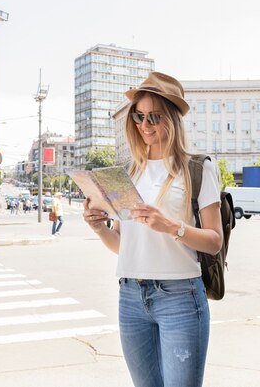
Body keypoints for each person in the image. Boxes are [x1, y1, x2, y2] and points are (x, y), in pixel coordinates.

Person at [83, 71, 222, 387]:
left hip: (180, 297)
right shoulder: (130, 172)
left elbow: (214, 242)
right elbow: (123, 244)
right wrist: (99, 228)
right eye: (139, 117)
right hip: (131, 296)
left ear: (171, 119)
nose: (145, 125)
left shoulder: (197, 168)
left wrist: (170, 226)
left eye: (154, 117)